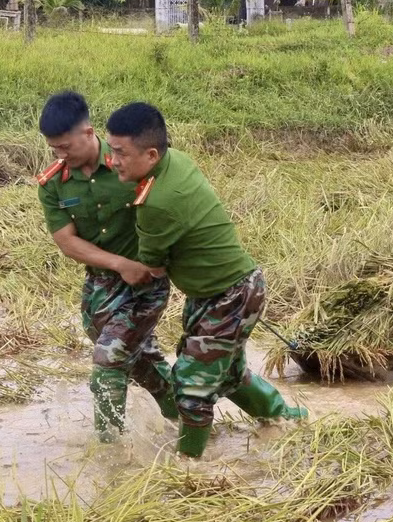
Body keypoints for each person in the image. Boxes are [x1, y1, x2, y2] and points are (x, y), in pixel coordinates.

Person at [104, 102, 307, 458]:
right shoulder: (174, 161)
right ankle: (289, 420)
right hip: (220, 292)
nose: (114, 161)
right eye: (111, 151)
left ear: (151, 154)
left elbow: (153, 267)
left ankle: (190, 465)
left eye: (121, 153)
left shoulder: (158, 203)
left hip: (232, 295)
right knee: (227, 375)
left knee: (191, 387)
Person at [35, 91, 179, 441]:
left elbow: (173, 204)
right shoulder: (54, 182)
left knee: (109, 360)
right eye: (54, 148)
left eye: (66, 147)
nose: (60, 155)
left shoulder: (127, 163)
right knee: (141, 361)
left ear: (89, 133)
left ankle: (110, 450)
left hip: (146, 284)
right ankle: (190, 418)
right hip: (102, 283)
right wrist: (119, 264)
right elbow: (67, 241)